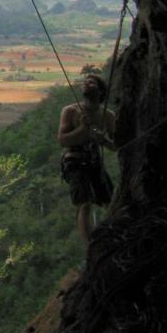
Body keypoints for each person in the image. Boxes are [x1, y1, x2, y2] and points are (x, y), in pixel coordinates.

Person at [57, 73, 116, 243]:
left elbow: (116, 145)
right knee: (84, 203)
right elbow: (63, 140)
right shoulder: (70, 111)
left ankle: (112, 235)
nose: (86, 84)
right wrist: (83, 128)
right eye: (85, 82)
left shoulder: (107, 116)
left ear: (100, 91)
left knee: (109, 201)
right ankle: (90, 244)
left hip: (94, 161)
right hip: (74, 161)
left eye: (91, 82)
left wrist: (103, 140)